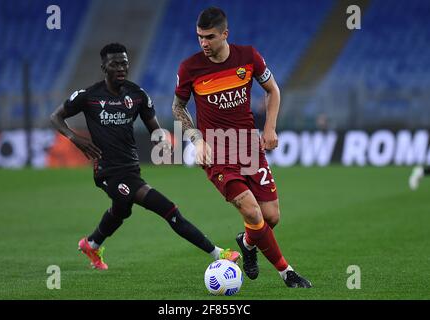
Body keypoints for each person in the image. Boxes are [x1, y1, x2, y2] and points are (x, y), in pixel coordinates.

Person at [50, 43, 240, 270]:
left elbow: (155, 129)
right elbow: (56, 117)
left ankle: (91, 243)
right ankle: (218, 254)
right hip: (108, 171)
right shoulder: (88, 96)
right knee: (168, 209)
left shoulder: (137, 95)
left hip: (131, 168)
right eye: (115, 64)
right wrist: (75, 138)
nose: (121, 68)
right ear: (104, 67)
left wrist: (163, 141)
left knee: (122, 210)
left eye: (124, 63)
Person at [172, 7, 312, 288]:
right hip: (217, 153)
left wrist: (270, 127)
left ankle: (247, 244)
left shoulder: (248, 57)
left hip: (249, 146)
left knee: (270, 217)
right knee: (251, 211)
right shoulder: (190, 68)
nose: (203, 43)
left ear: (225, 34)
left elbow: (273, 89)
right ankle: (288, 273)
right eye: (199, 37)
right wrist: (196, 140)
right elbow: (178, 107)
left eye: (209, 37)